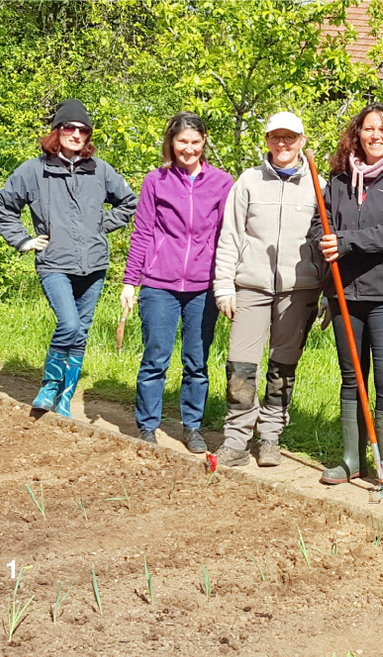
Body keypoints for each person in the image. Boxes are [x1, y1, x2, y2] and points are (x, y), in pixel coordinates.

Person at [312, 103, 383, 498]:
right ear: (357, 133)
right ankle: (351, 459)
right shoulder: (339, 178)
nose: (376, 135)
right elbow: (320, 223)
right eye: (368, 129)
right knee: (352, 378)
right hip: (344, 294)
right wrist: (322, 241)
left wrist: (345, 242)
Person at [0, 99, 137, 417]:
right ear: (56, 131)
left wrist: (103, 225)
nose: (76, 133)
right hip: (54, 264)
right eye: (69, 127)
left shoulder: (100, 169)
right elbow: (3, 207)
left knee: (81, 331)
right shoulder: (33, 171)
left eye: (82, 129)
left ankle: (65, 399)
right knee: (69, 324)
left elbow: (128, 202)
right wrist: (23, 240)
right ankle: (50, 385)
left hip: (94, 266)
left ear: (88, 136)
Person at [212, 112, 324, 467]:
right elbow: (230, 235)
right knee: (240, 367)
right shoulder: (248, 181)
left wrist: (325, 292)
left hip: (299, 290)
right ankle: (236, 439)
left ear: (302, 141)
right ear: (266, 140)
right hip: (251, 286)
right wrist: (224, 285)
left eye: (289, 138)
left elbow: (327, 240)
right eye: (276, 137)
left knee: (282, 367)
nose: (282, 144)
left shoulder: (318, 185)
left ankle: (271, 436)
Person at [121, 112, 234, 450]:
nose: (188, 148)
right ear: (171, 142)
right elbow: (142, 233)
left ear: (204, 143)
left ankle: (193, 426)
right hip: (159, 284)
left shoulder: (222, 182)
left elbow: (229, 235)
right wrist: (131, 281)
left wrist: (228, 282)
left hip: (203, 285)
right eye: (182, 141)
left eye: (195, 142)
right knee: (155, 357)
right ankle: (147, 425)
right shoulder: (155, 181)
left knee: (196, 362)